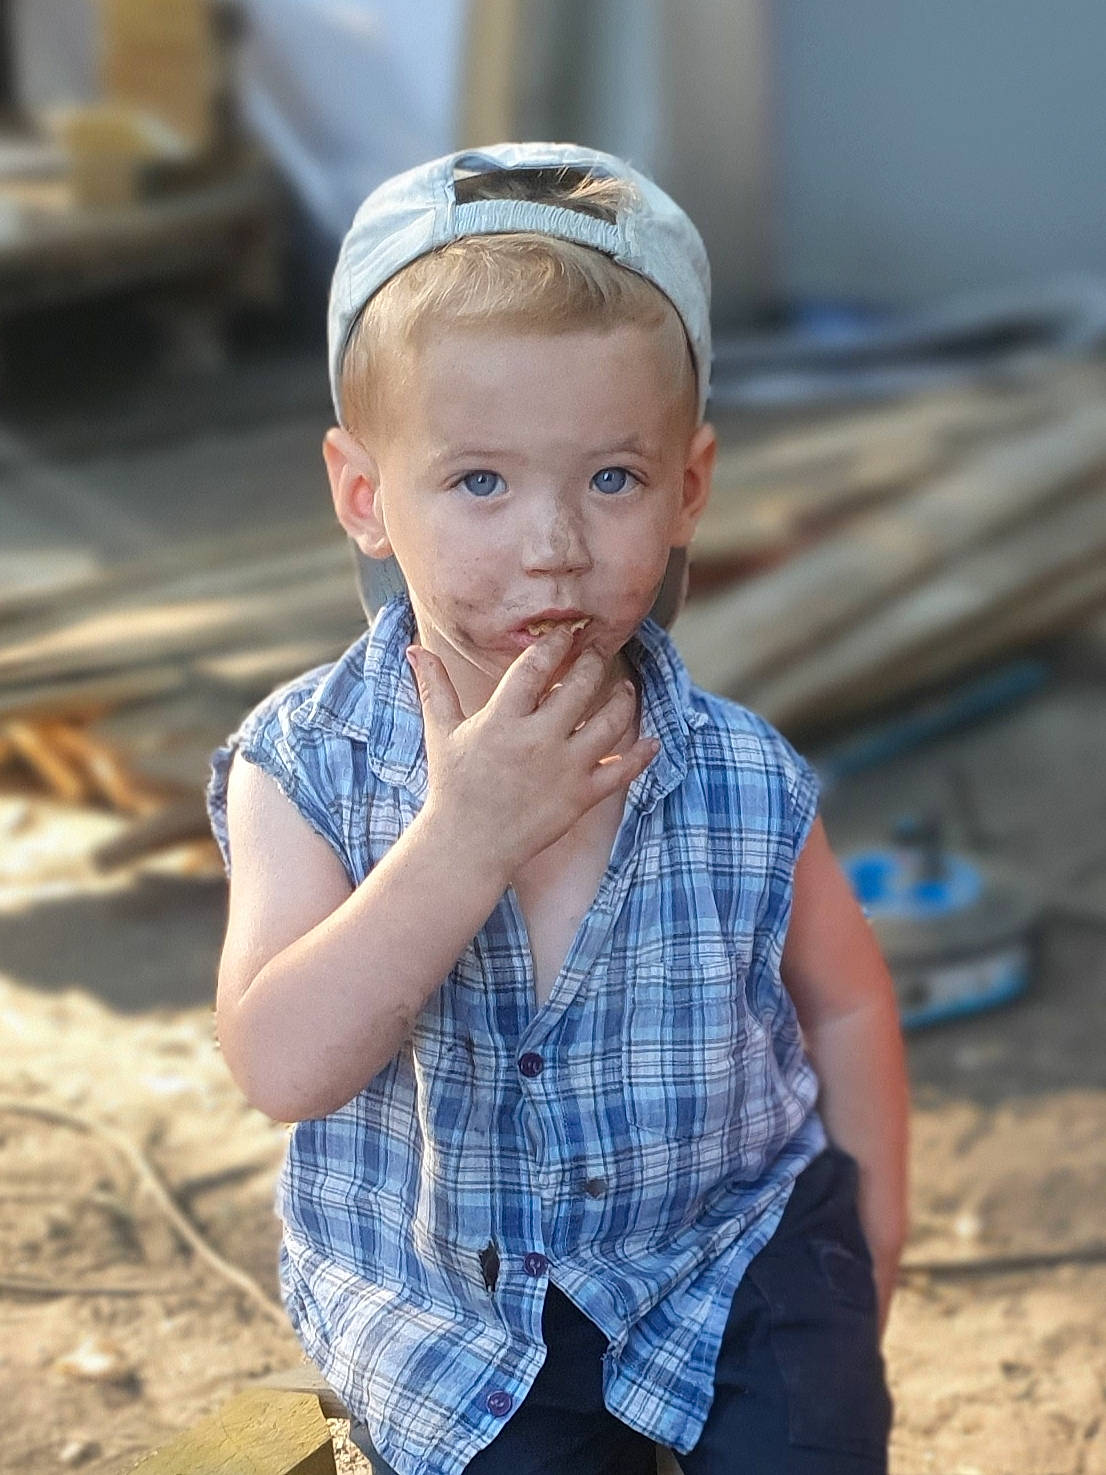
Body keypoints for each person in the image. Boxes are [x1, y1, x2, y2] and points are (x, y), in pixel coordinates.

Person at [205, 142, 909, 1475]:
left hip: (730, 1247)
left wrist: (869, 1240)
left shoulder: (742, 771)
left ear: (688, 487)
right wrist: (463, 837)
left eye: (611, 479)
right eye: (479, 480)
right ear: (366, 497)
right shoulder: (303, 761)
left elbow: (844, 999)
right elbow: (281, 1067)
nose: (552, 542)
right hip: (450, 1299)